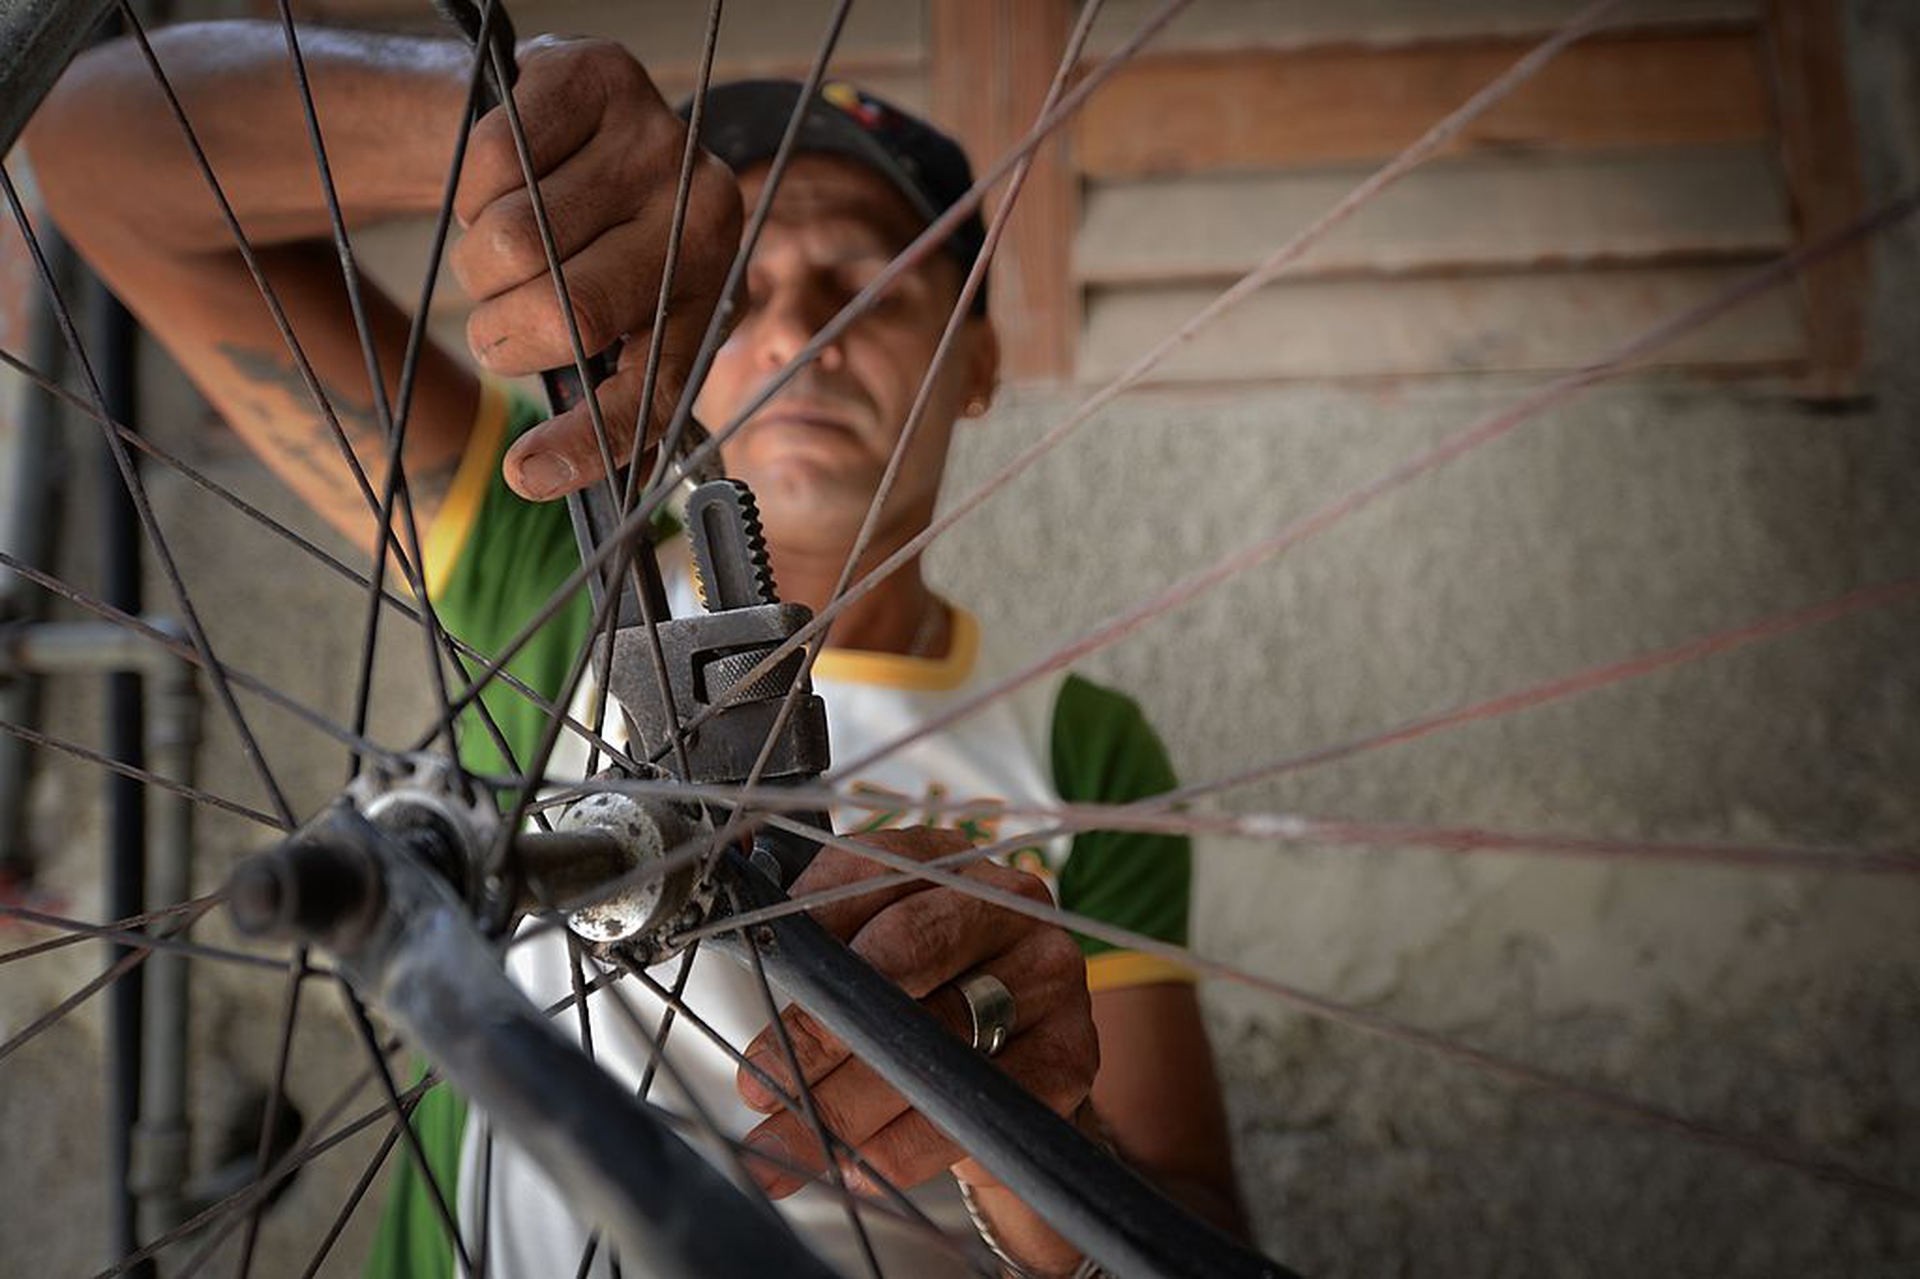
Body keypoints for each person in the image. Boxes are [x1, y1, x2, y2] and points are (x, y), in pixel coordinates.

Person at [29, 24, 1246, 1276]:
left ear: (977, 360)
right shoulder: (555, 557)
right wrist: (486, 134)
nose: (801, 332)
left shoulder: (1083, 744)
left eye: (869, 283)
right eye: (737, 293)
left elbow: (1202, 1237)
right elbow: (81, 137)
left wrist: (1031, 1123)